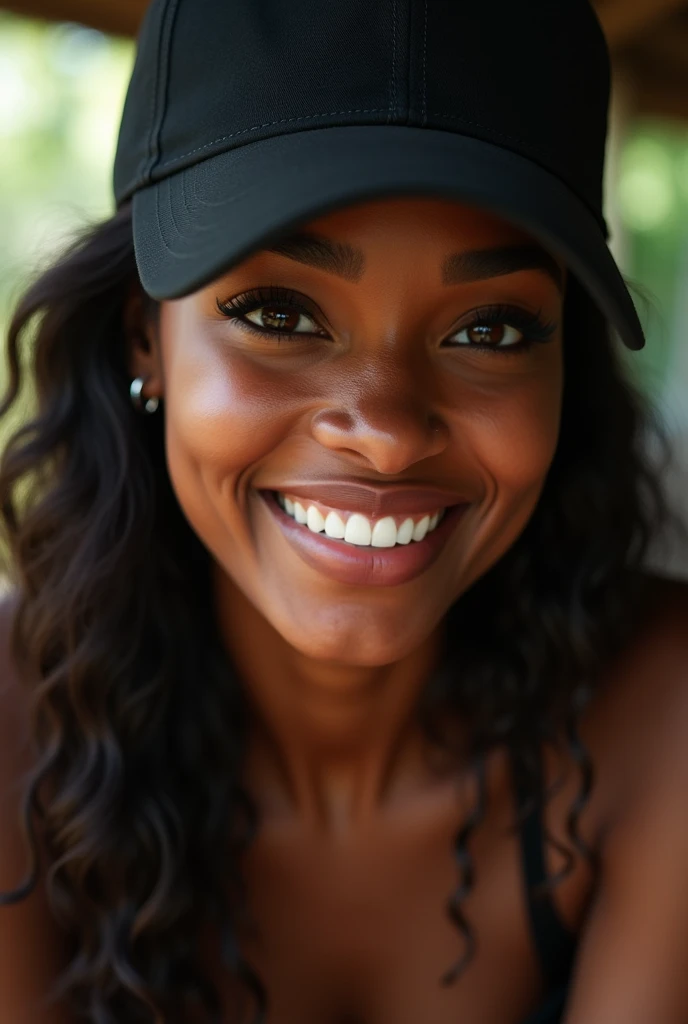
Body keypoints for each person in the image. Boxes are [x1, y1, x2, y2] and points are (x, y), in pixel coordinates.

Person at [1, 0, 687, 1022]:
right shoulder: (15, 726)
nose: (385, 428)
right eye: (278, 315)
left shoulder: (662, 714)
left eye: (490, 328)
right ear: (146, 335)